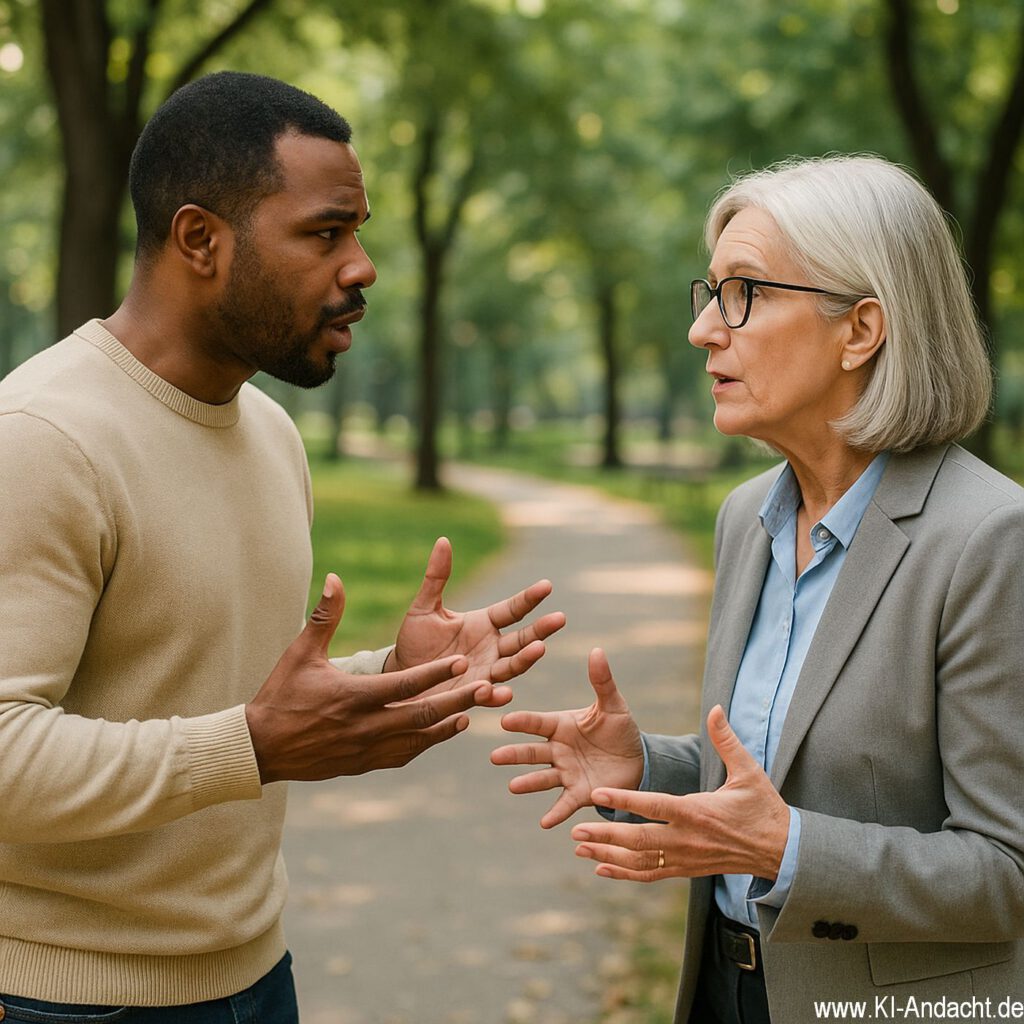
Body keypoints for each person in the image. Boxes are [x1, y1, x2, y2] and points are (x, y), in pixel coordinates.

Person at [0, 72, 564, 1022]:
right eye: (325, 232)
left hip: (257, 979)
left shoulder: (271, 434)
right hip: (65, 999)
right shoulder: (43, 440)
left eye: (360, 230)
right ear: (199, 240)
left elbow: (210, 693)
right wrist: (252, 746)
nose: (364, 267)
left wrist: (393, 671)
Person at [492, 154, 1024, 1022]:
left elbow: (1008, 872)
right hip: (723, 988)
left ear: (861, 330)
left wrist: (790, 851)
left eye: (744, 293)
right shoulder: (749, 518)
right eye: (708, 294)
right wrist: (653, 769)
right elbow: (782, 773)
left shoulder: (990, 541)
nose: (705, 330)